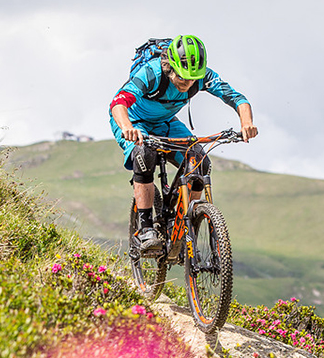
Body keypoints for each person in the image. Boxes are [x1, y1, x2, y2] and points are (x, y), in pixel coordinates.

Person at [109, 34, 257, 254]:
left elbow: (237, 98)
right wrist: (128, 127)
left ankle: (183, 221)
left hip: (166, 122)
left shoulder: (201, 76)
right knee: (144, 155)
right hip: (134, 121)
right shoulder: (151, 73)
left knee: (200, 163)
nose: (188, 84)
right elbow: (119, 103)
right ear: (171, 67)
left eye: (192, 79)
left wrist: (247, 123)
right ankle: (147, 228)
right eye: (183, 78)